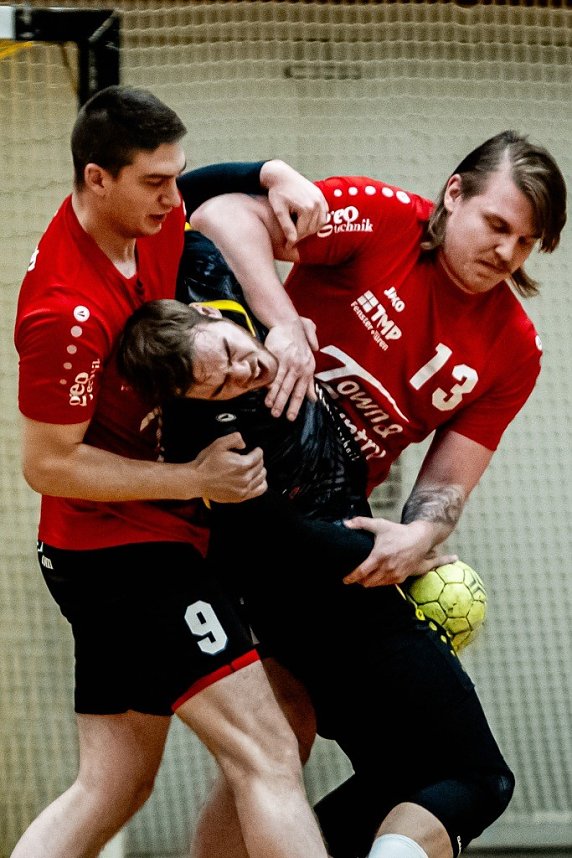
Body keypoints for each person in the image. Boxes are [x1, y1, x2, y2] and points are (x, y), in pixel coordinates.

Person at [183, 131, 567, 858]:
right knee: (463, 771)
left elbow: (447, 484)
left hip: (322, 521)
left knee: (283, 731)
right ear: (453, 194)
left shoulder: (513, 346)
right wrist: (284, 321)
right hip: (249, 486)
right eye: (497, 225)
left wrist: (417, 538)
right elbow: (220, 217)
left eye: (526, 242)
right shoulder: (381, 217)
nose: (507, 254)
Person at [12, 83, 333, 858]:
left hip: (120, 547)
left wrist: (274, 170)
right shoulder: (64, 310)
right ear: (97, 178)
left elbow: (203, 185)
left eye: (173, 175)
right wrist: (195, 479)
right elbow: (47, 465)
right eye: (153, 181)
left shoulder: (150, 217)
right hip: (120, 552)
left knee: (114, 783)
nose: (172, 195)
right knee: (269, 749)